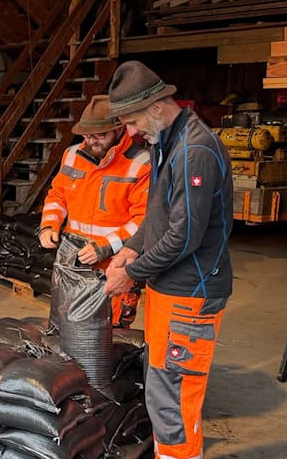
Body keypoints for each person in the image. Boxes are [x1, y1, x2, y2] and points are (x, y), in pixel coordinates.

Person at [103, 61, 233, 459]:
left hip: (190, 295)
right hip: (169, 290)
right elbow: (158, 216)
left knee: (174, 397)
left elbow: (184, 237)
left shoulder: (193, 151)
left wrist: (131, 274)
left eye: (132, 121)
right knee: (160, 386)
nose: (130, 132)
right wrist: (131, 247)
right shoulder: (166, 142)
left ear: (157, 108)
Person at [39, 95, 150, 328]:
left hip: (114, 263)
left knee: (109, 333)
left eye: (100, 135)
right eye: (87, 135)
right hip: (73, 258)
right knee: (64, 324)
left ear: (119, 130)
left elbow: (144, 220)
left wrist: (106, 246)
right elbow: (58, 194)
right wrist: (49, 225)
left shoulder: (141, 163)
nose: (92, 142)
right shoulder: (71, 155)